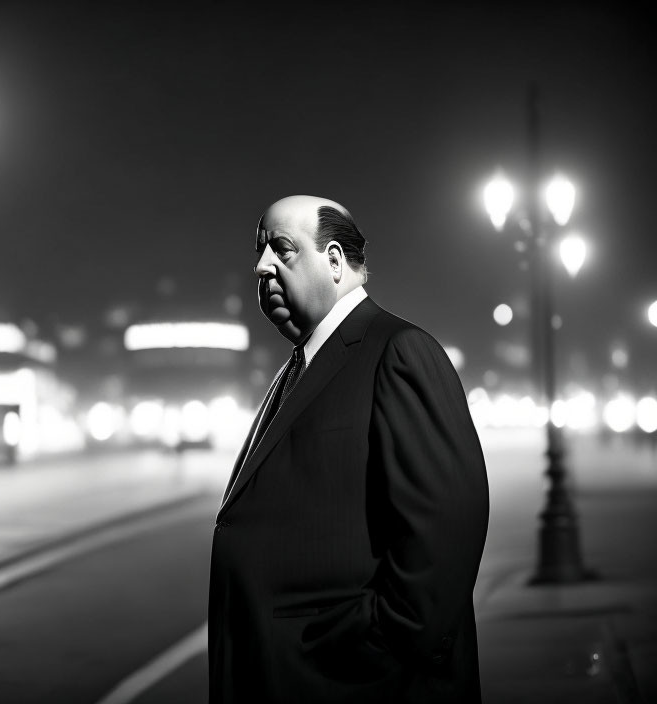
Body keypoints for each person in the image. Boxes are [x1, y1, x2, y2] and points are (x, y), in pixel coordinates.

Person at [208, 195, 489, 703]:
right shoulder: (298, 368)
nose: (261, 265)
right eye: (259, 251)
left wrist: (372, 648)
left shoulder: (398, 351)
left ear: (335, 261)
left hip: (352, 683)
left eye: (282, 249)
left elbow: (445, 534)